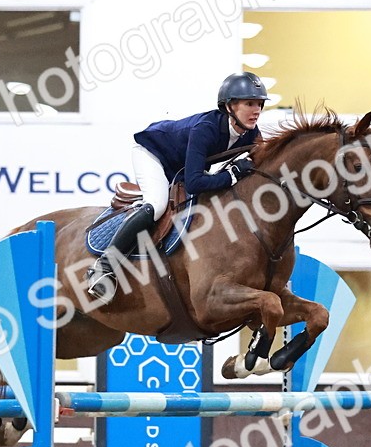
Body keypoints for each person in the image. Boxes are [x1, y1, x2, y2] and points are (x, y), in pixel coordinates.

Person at [86, 71, 269, 303]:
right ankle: (104, 266)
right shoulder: (206, 129)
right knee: (157, 205)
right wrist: (231, 176)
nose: (256, 111)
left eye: (260, 104)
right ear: (230, 106)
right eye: (249, 103)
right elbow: (194, 183)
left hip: (181, 165)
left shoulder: (251, 134)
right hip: (154, 154)